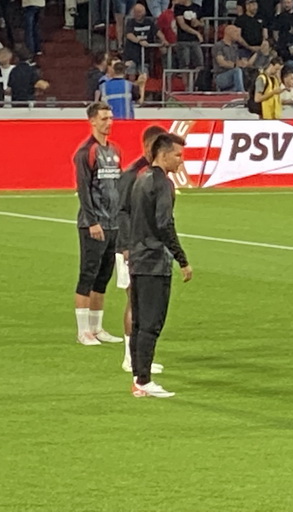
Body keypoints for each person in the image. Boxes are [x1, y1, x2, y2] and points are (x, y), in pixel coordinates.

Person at [128, 133, 193, 398]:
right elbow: (165, 224)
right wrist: (182, 259)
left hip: (138, 258)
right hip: (154, 261)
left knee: (140, 323)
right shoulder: (163, 184)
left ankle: (137, 376)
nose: (181, 160)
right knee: (152, 323)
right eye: (177, 155)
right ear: (163, 154)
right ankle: (144, 380)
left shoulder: (140, 179)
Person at [116, 125, 169, 374]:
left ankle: (139, 358)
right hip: (131, 248)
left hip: (144, 248)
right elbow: (123, 211)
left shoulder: (150, 173)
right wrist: (127, 245)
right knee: (134, 301)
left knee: (141, 303)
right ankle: (130, 357)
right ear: (149, 146)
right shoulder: (133, 174)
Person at [73, 102, 124, 346]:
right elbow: (83, 190)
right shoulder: (86, 152)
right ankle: (83, 330)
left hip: (113, 223)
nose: (109, 122)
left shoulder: (115, 150)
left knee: (104, 276)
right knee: (88, 274)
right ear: (92, 121)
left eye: (111, 118)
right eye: (104, 118)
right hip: (93, 224)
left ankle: (97, 327)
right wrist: (92, 221)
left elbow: (119, 186)